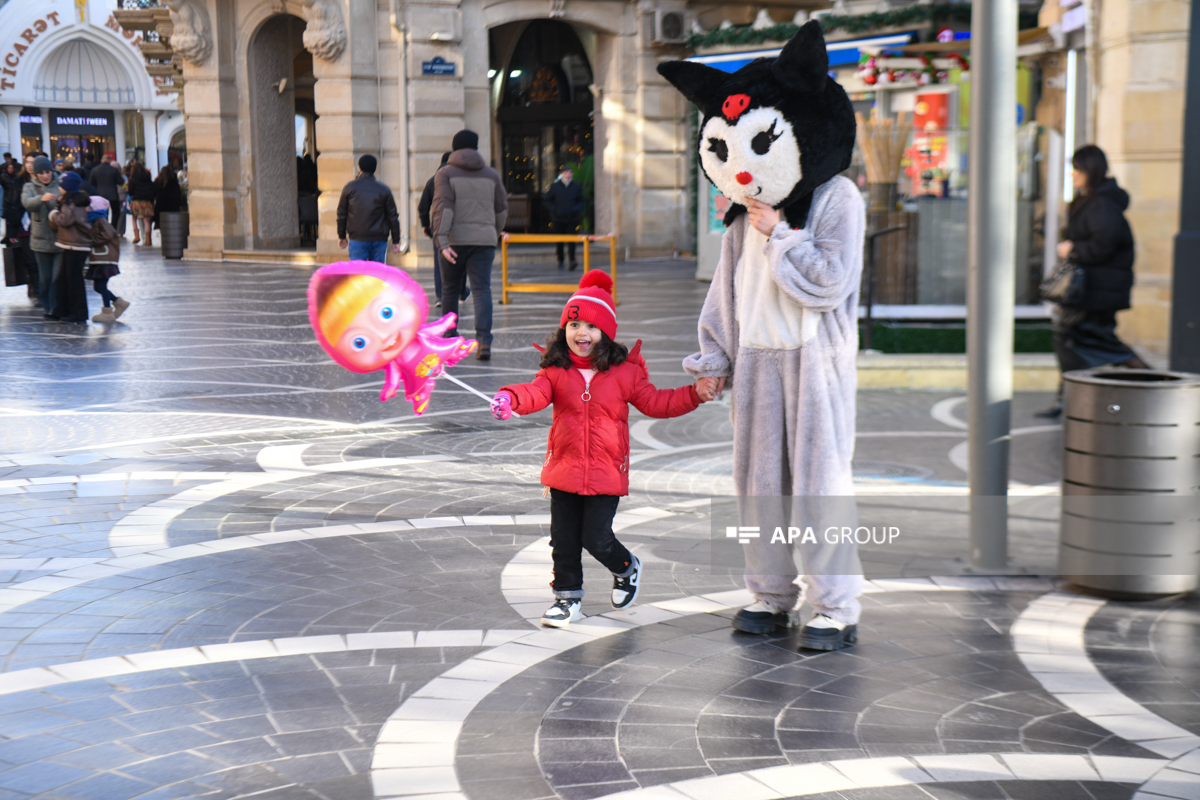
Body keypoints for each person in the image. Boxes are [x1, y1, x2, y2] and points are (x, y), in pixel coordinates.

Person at [660, 23, 866, 651]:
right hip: (757, 365)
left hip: (814, 365)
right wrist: (714, 358)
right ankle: (770, 595)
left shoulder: (836, 199)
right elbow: (725, 294)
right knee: (758, 489)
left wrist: (780, 234)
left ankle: (835, 606)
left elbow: (828, 281)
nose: (742, 171)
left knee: (818, 486)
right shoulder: (739, 220)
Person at [491, 271, 717, 626]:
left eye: (591, 327)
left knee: (596, 538)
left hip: (605, 472)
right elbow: (535, 393)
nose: (581, 333)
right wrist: (511, 398)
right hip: (564, 470)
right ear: (564, 329)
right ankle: (567, 599)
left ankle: (626, 567)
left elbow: (656, 402)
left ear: (606, 333)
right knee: (563, 540)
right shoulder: (555, 371)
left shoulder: (624, 373)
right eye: (574, 324)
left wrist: (694, 394)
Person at [1037, 145, 1148, 418]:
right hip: (1088, 290)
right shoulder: (1091, 200)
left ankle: (1152, 382)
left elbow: (1103, 246)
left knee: (1090, 341)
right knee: (1072, 340)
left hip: (1096, 291)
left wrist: (1072, 250)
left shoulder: (1102, 204)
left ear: (1091, 170)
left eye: (1077, 169)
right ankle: (1068, 399)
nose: (1073, 174)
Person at [430, 130, 507, 361]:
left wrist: (442, 240)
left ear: (455, 147)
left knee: (450, 289)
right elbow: (502, 209)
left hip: (454, 241)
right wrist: (493, 233)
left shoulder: (445, 173)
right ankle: (484, 342)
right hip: (483, 241)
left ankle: (450, 337)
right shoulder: (492, 174)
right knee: (482, 290)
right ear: (476, 147)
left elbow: (443, 207)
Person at [417, 152, 468, 308]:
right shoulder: (461, 180)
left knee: (440, 260)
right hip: (459, 225)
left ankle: (440, 295)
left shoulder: (433, 180)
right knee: (460, 258)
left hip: (438, 225)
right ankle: (461, 291)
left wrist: (426, 225)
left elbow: (423, 207)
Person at [336, 154, 401, 263]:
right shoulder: (384, 189)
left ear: (359, 168)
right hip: (379, 238)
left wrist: (341, 235)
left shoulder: (349, 188)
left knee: (357, 271)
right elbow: (392, 217)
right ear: (374, 169)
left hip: (357, 237)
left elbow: (341, 214)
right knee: (376, 272)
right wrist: (396, 240)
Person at [47, 171, 92, 323]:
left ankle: (78, 313)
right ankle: (61, 310)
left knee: (73, 281)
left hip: (75, 245)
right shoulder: (74, 200)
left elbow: (64, 220)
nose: (59, 187)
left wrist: (53, 214)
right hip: (71, 244)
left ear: (66, 187)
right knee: (63, 279)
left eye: (61, 185)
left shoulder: (71, 202)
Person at [22, 156, 62, 318]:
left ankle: (55, 307)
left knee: (57, 276)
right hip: (40, 240)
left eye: (47, 172)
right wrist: (41, 198)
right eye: (41, 173)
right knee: (45, 277)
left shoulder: (60, 183)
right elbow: (27, 203)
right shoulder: (30, 186)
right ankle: (47, 305)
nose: (45, 176)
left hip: (60, 239)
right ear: (36, 174)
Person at [84, 196, 128, 324]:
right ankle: (119, 302)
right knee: (97, 286)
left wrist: (91, 241)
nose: (85, 209)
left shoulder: (100, 220)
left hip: (104, 258)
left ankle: (107, 312)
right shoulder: (95, 220)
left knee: (101, 286)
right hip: (99, 257)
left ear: (94, 208)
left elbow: (107, 235)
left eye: (88, 206)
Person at [543, 165, 585, 270]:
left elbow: (581, 200)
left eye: (570, 173)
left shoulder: (576, 187)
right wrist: (554, 209)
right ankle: (560, 260)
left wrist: (576, 209)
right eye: (566, 173)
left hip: (572, 218)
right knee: (559, 241)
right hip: (558, 218)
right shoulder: (554, 186)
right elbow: (547, 200)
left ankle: (572, 260)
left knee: (572, 241)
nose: (568, 175)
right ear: (561, 174)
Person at [89, 155, 125, 226]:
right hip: (113, 194)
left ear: (101, 160)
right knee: (115, 212)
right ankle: (113, 227)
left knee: (104, 212)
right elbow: (120, 181)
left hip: (101, 195)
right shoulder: (114, 170)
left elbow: (91, 183)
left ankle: (105, 226)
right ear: (109, 161)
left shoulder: (95, 169)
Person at [126, 162, 155, 245]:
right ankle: (148, 240)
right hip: (147, 201)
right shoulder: (147, 178)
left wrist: (128, 189)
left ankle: (137, 236)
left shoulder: (132, 179)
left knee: (134, 218)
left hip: (136, 201)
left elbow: (131, 192)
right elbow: (152, 189)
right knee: (146, 220)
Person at [153, 166, 183, 234]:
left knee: (163, 228)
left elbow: (154, 193)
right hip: (172, 209)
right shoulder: (173, 183)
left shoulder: (158, 182)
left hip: (161, 208)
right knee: (172, 229)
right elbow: (177, 195)